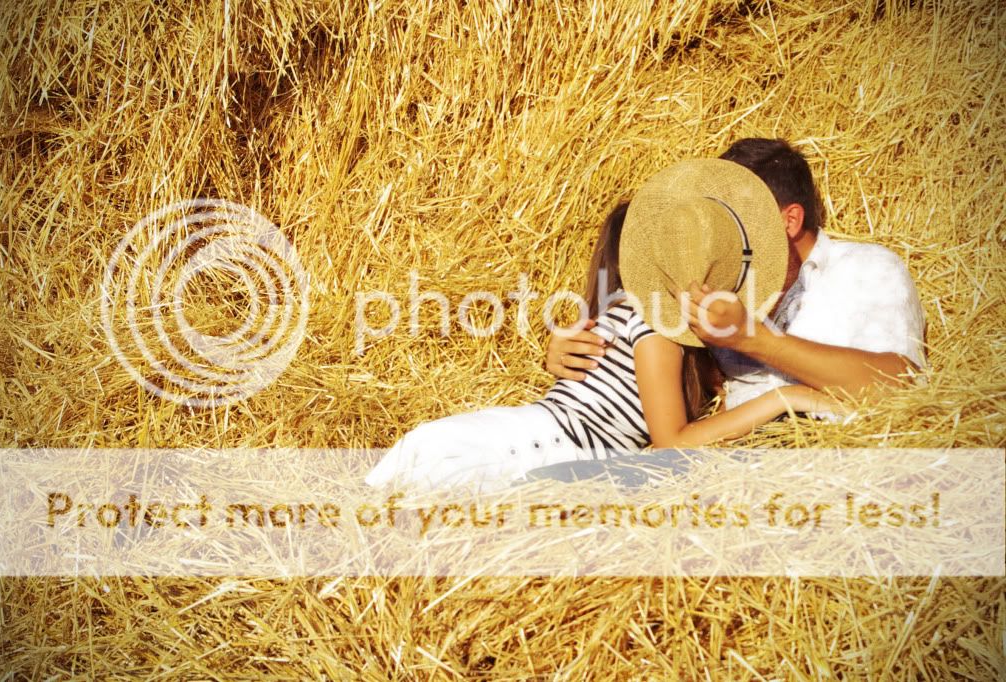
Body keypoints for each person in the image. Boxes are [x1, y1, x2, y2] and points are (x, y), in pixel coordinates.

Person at [366, 158, 837, 492]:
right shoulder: (652, 323)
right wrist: (786, 398)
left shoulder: (637, 321)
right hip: (530, 451)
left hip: (519, 443)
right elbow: (671, 444)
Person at [545, 138, 926, 417]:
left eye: (739, 225)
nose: (724, 239)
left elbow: (902, 386)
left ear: (789, 221)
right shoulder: (721, 283)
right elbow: (660, 363)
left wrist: (753, 339)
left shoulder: (865, 269)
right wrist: (583, 352)